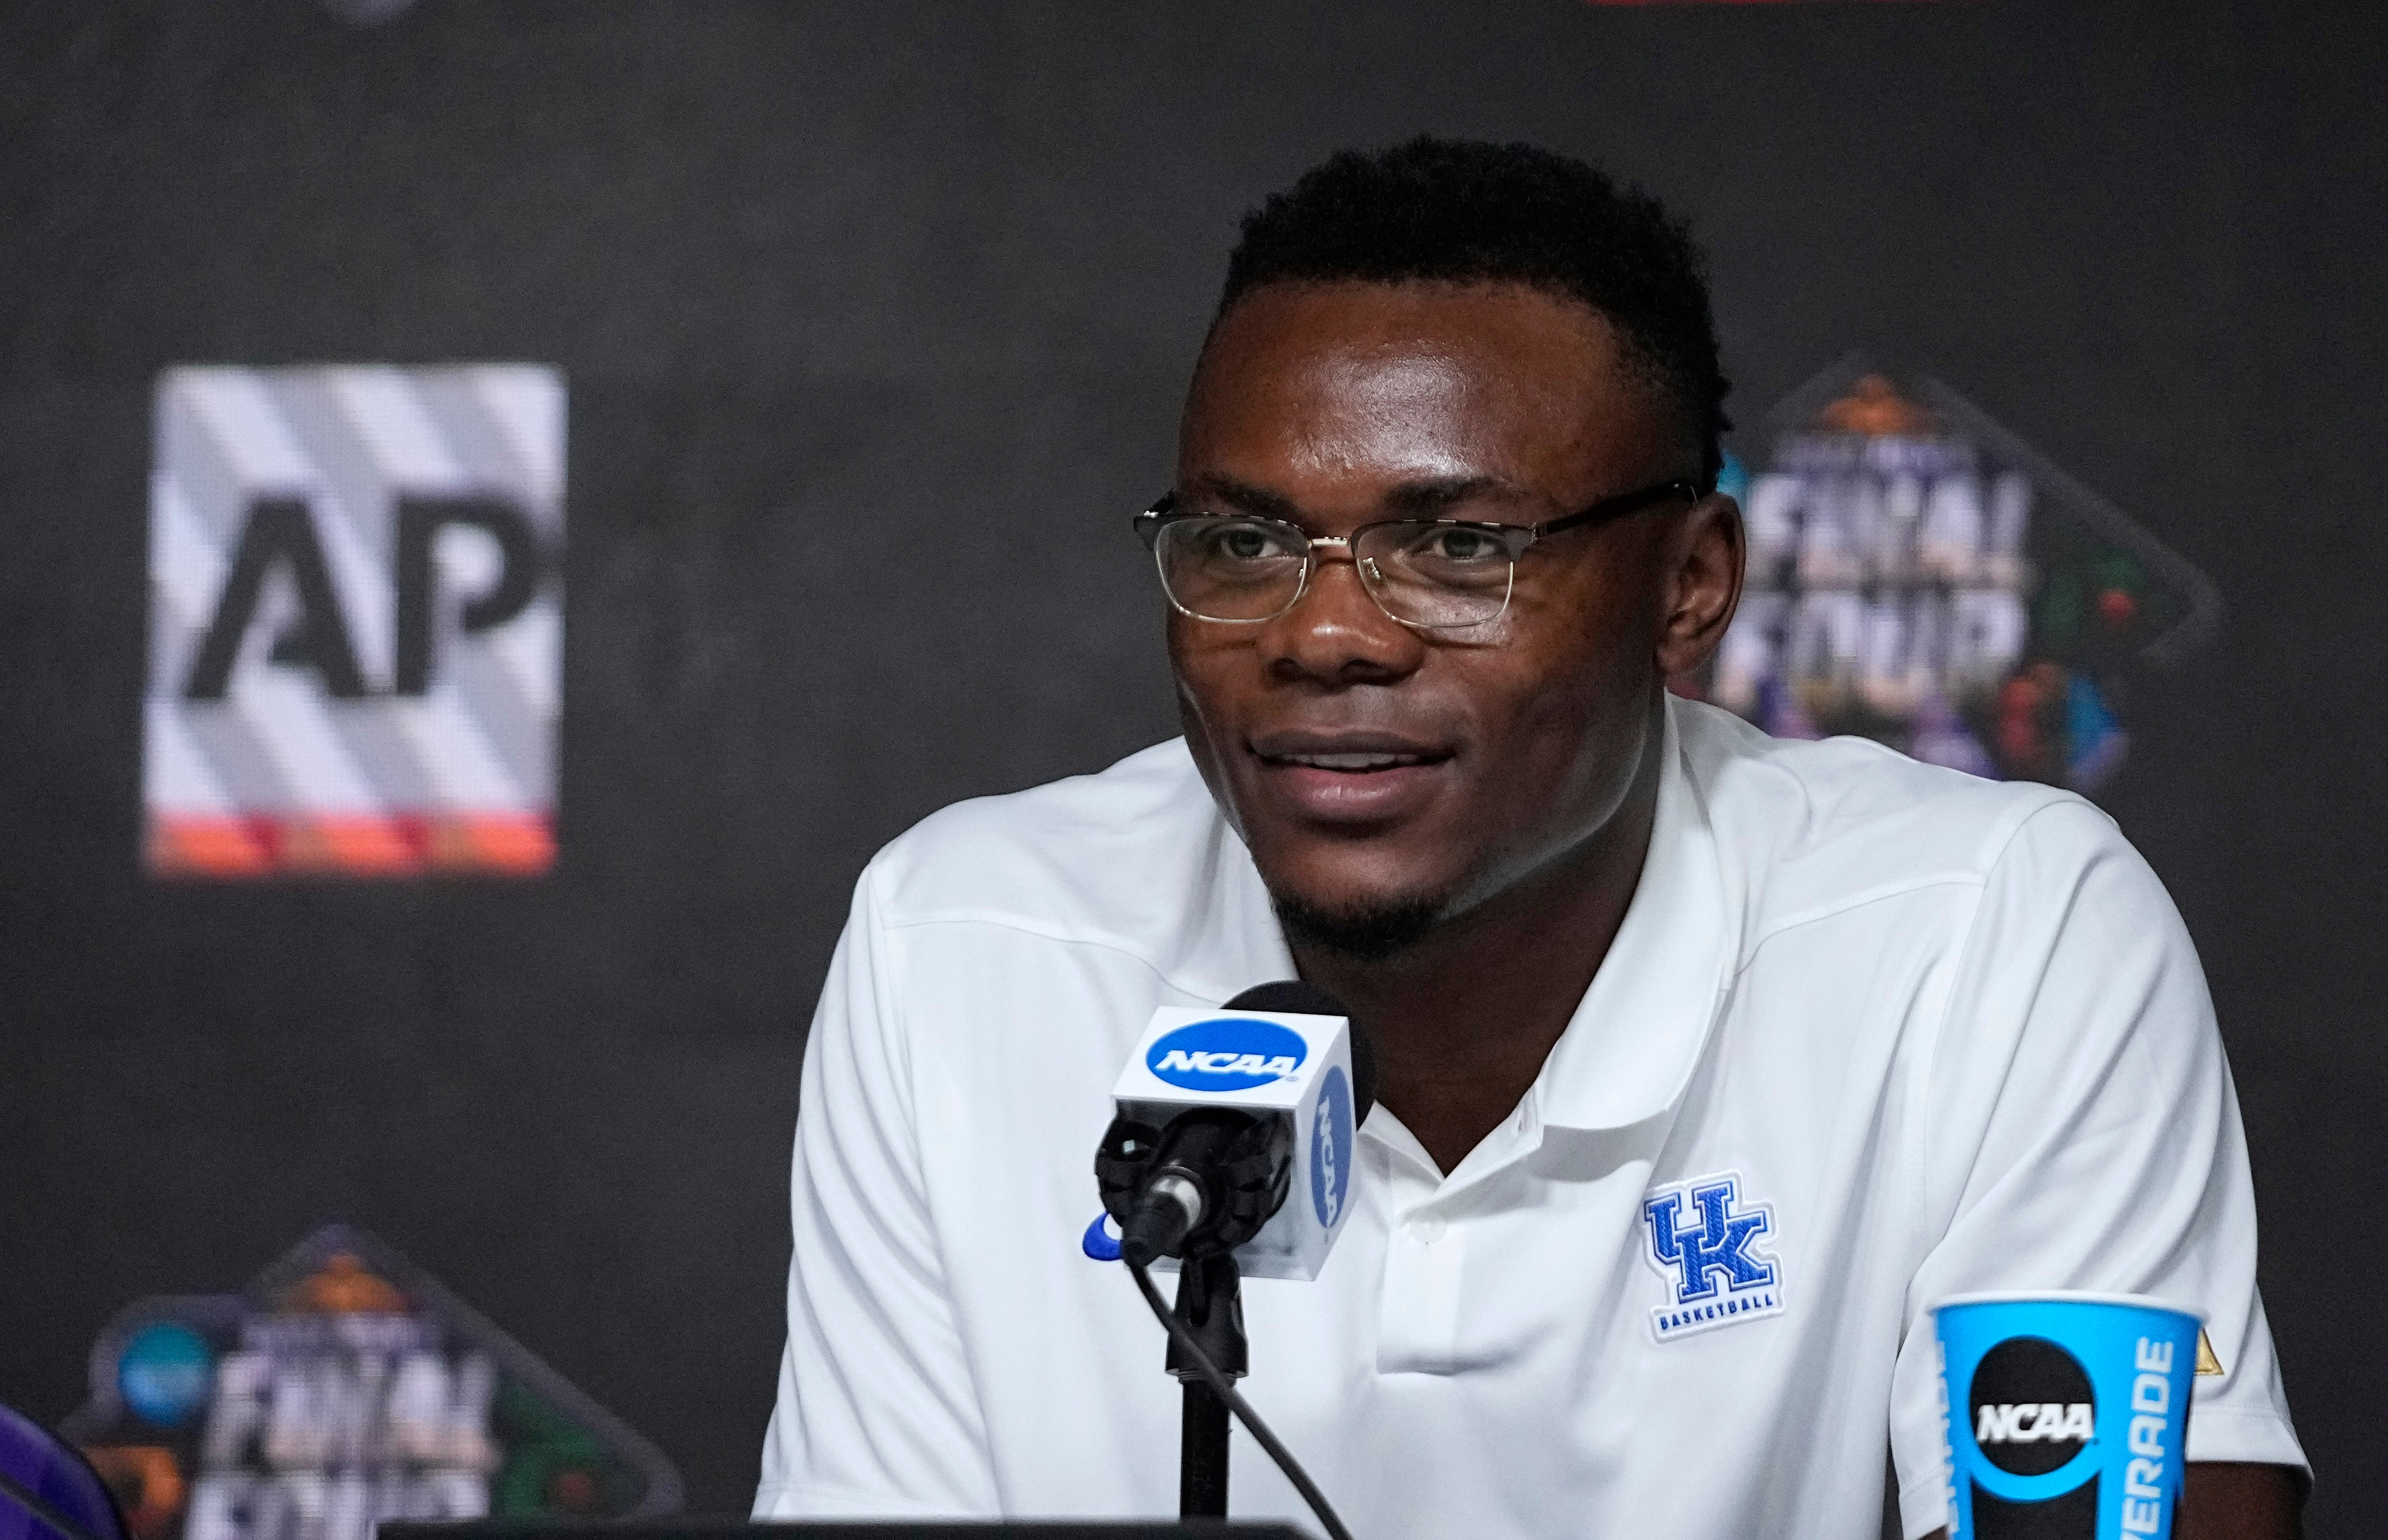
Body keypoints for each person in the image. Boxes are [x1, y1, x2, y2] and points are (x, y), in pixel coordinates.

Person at [753, 138, 2306, 1538]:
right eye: (1244, 542)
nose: (1325, 634)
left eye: (1457, 546)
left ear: (1690, 588)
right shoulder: (962, 944)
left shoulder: (1988, 930)